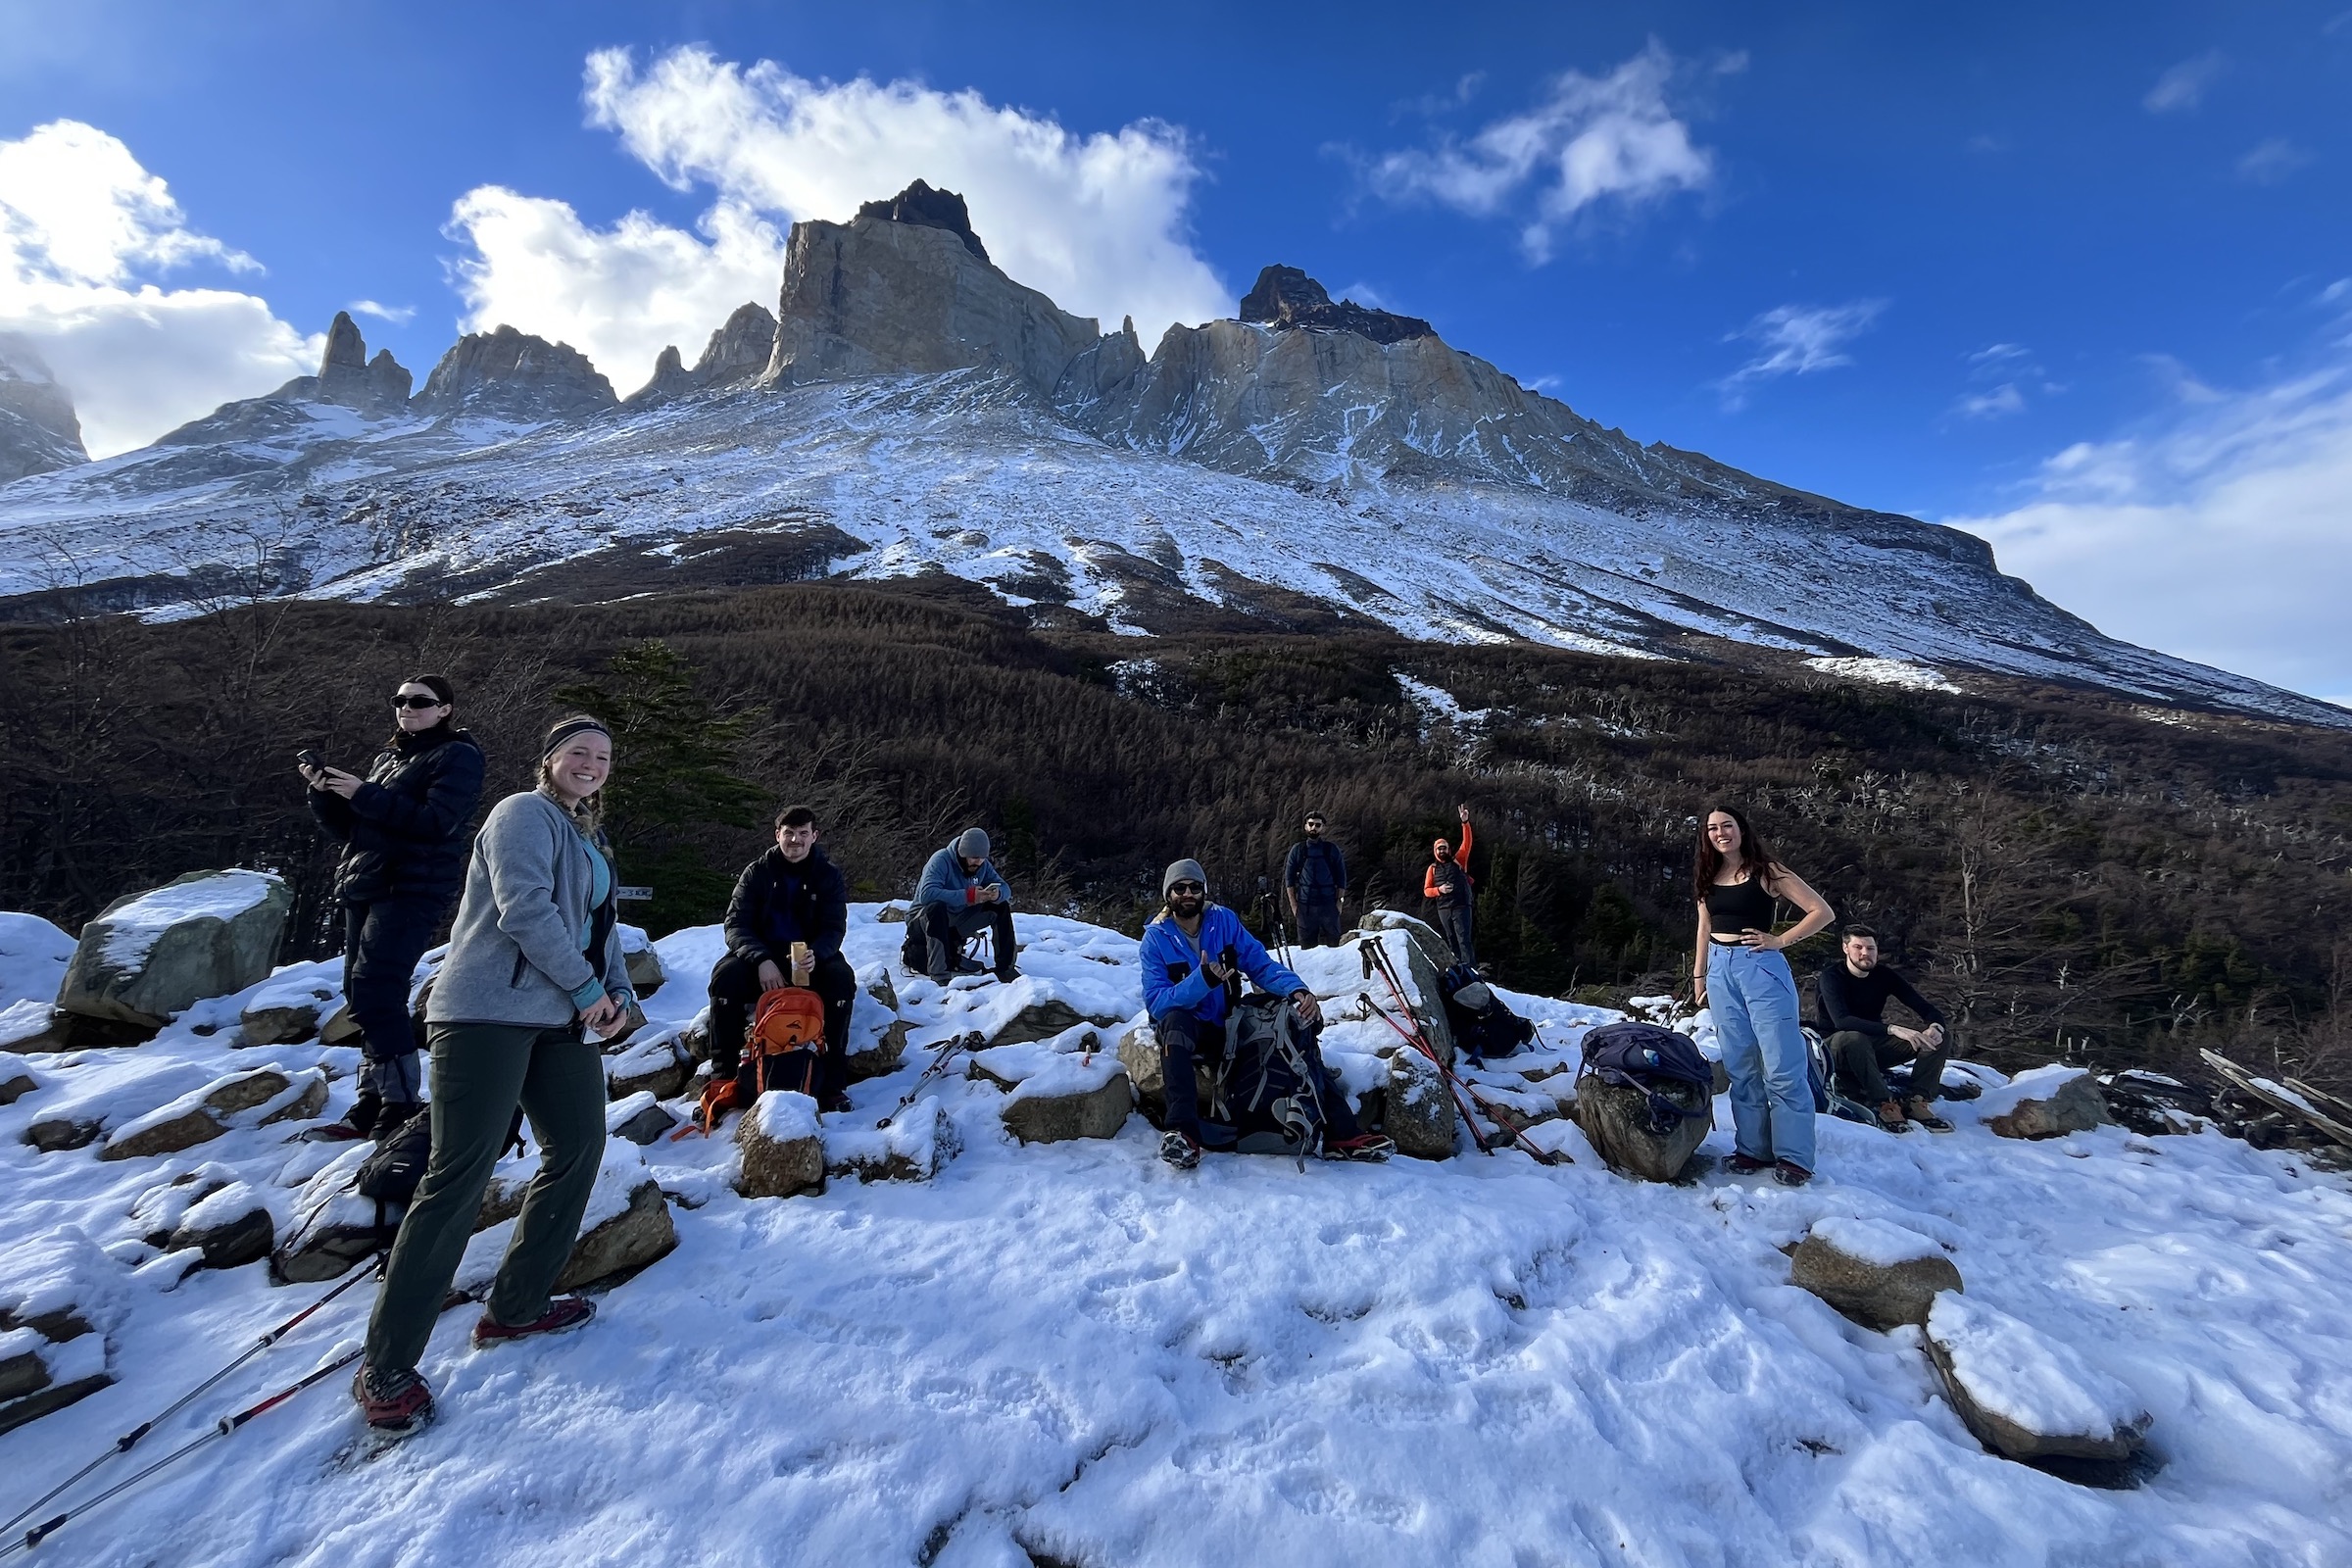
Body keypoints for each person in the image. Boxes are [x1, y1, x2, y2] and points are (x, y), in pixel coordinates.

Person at [352, 716, 634, 1441]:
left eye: (602, 757)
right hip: (487, 1012)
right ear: (549, 759)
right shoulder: (522, 813)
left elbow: (599, 926)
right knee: (459, 1175)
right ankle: (384, 1364)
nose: (592, 765)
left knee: (577, 1151)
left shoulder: (587, 835)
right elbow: (524, 910)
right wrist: (585, 993)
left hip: (560, 1020)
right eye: (579, 752)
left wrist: (619, 997)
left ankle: (517, 1304)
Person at [301, 674, 485, 1141]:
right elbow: (355, 831)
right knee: (360, 993)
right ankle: (374, 1100)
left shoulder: (457, 756)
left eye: (420, 702)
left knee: (375, 988)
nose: (407, 708)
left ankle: (399, 1102)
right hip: (366, 880)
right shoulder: (391, 757)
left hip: (412, 886)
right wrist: (324, 794)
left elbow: (437, 823)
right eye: (399, 700)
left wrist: (364, 794)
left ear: (445, 709)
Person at [1139, 858, 1393, 1168]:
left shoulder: (1224, 922)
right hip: (1190, 1028)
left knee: (1292, 1026)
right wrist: (1200, 981)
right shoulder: (1155, 937)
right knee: (1173, 1021)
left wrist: (1297, 990)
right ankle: (1183, 1134)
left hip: (1231, 1024)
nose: (1188, 893)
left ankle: (1343, 1134)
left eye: (1195, 887)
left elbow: (1259, 964)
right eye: (1180, 888)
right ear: (1169, 894)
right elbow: (1157, 1003)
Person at [1691, 806, 1836, 1187]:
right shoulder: (1708, 874)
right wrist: (1699, 973)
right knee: (1740, 1064)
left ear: (1742, 829)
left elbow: (1821, 912)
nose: (1720, 833)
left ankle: (1794, 1157)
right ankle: (1752, 1148)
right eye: (1712, 828)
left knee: (1781, 1063)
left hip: (1761, 967)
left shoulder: (1767, 870)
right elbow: (1704, 925)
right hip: (1721, 970)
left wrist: (1780, 941)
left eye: (1727, 825)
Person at [708, 805, 857, 1114]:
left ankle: (832, 1084)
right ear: (778, 835)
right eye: (789, 833)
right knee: (725, 978)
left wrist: (819, 953)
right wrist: (760, 958)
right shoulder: (757, 873)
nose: (795, 840)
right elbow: (736, 924)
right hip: (761, 955)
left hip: (809, 955)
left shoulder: (827, 875)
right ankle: (723, 1078)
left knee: (841, 981)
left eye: (803, 833)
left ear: (814, 836)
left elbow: (834, 926)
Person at [1817, 925, 1955, 1134]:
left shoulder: (1884, 976)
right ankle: (1884, 1103)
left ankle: (1917, 1099)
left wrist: (1935, 1026)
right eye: (1858, 947)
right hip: (1836, 1048)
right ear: (1845, 948)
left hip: (1872, 1047)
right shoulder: (1832, 977)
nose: (1865, 953)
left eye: (1870, 948)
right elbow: (1842, 1021)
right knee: (1855, 1038)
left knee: (1939, 1039)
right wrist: (1892, 1029)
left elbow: (1924, 1007)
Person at [911, 828, 1018, 985]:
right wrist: (967, 896)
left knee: (1000, 906)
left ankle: (1005, 968)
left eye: (982, 858)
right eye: (974, 858)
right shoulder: (941, 860)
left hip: (956, 921)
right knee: (937, 907)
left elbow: (1006, 889)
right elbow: (927, 894)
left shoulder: (983, 865)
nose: (978, 862)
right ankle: (940, 975)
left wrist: (997, 894)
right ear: (962, 853)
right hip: (923, 922)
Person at [1282, 812, 1348, 949]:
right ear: (1305, 826)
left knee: (1335, 947)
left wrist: (1339, 903)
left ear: (1323, 827)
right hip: (1305, 906)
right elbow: (1289, 880)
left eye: (1318, 825)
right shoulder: (1298, 850)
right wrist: (1294, 906)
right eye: (1311, 824)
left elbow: (1341, 877)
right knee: (1307, 949)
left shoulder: (1331, 849)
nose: (1314, 828)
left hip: (1329, 905)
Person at [1423, 804, 1477, 966]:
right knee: (1451, 939)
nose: (1441, 851)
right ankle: (1457, 968)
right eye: (1439, 848)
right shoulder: (1432, 869)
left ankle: (1470, 970)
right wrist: (1439, 890)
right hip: (1444, 908)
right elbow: (1427, 891)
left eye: (1444, 847)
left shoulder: (1459, 860)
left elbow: (1467, 843)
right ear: (1435, 851)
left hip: (1461, 905)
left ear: (1448, 849)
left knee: (1464, 940)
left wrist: (1465, 823)